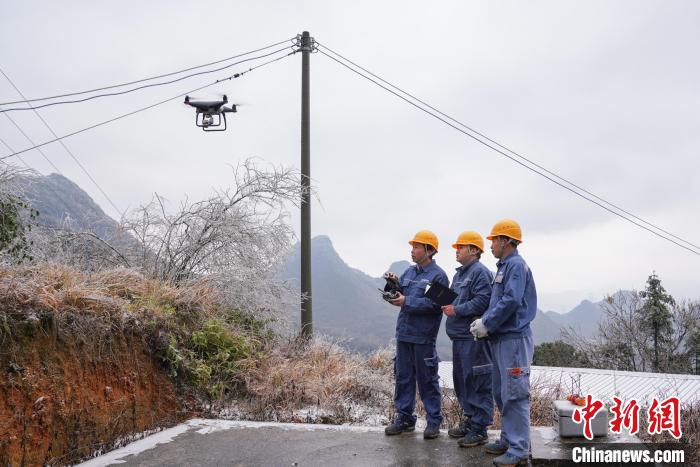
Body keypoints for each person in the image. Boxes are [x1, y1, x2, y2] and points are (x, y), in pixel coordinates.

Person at [470, 219, 537, 466]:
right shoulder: (504, 267)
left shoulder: (516, 265)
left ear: (506, 241)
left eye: (494, 240)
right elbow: (498, 301)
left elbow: (510, 300)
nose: (491, 245)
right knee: (501, 392)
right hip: (501, 338)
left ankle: (518, 450)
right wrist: (485, 322)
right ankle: (508, 439)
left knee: (515, 394)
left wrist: (487, 322)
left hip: (514, 340)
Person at [384, 230, 449, 439]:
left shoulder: (438, 276)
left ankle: (433, 422)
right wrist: (392, 285)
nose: (412, 251)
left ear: (429, 250)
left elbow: (435, 305)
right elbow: (400, 295)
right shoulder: (409, 272)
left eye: (417, 247)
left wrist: (406, 301)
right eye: (412, 247)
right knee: (403, 378)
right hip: (404, 334)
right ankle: (404, 419)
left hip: (423, 337)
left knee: (427, 380)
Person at [441, 231, 494, 447]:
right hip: (459, 336)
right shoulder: (459, 275)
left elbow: (483, 301)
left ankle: (480, 428)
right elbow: (455, 299)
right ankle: (471, 420)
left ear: (473, 250)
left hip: (473, 337)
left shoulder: (480, 272)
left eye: (460, 247)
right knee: (462, 381)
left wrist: (457, 310)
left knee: (477, 380)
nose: (456, 250)